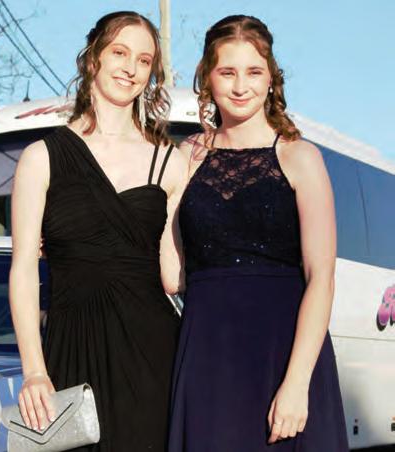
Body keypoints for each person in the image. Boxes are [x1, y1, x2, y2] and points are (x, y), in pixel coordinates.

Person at [168, 15, 349, 451]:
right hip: (209, 357)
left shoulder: (300, 157)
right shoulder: (185, 156)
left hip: (284, 355)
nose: (240, 86)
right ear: (207, 78)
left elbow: (321, 277)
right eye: (227, 72)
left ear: (271, 78)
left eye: (253, 72)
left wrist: (297, 383)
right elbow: (171, 276)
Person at [9, 11, 188, 452]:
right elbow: (23, 271)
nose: (131, 68)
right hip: (70, 353)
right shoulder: (41, 157)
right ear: (93, 58)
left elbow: (173, 276)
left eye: (144, 60)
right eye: (120, 53)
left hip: (153, 357)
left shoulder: (170, 160)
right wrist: (34, 370)